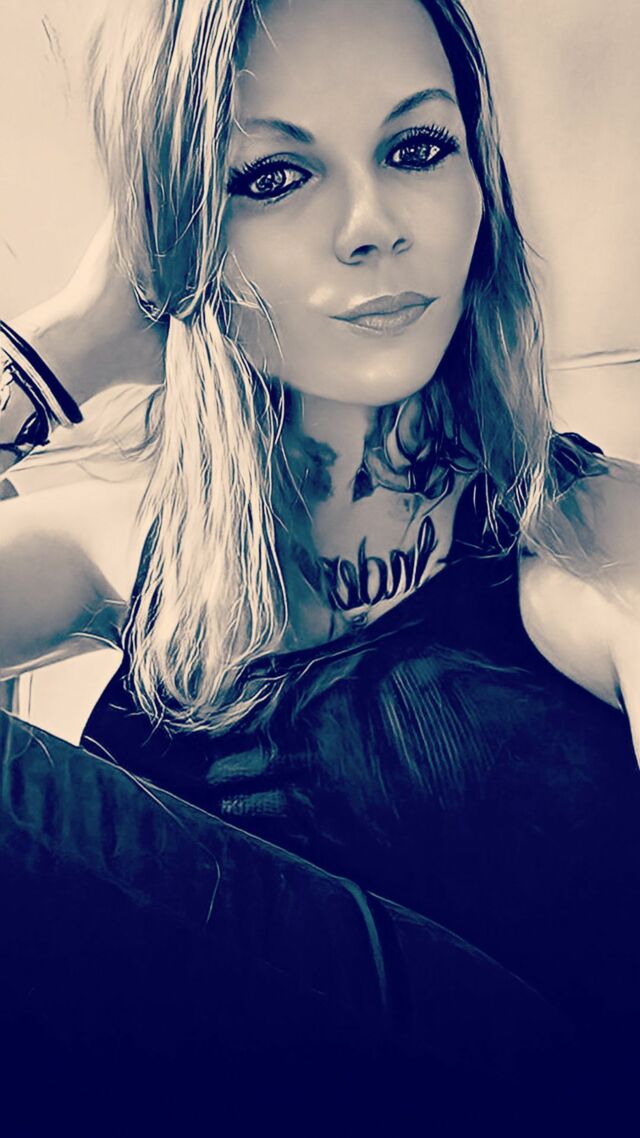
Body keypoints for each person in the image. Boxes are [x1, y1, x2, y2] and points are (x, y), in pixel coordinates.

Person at [1, 0, 640, 1098]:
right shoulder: (126, 540)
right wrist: (66, 345)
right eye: (273, 176)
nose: (372, 223)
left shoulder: (588, 525)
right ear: (186, 237)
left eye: (417, 148)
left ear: (479, 188)